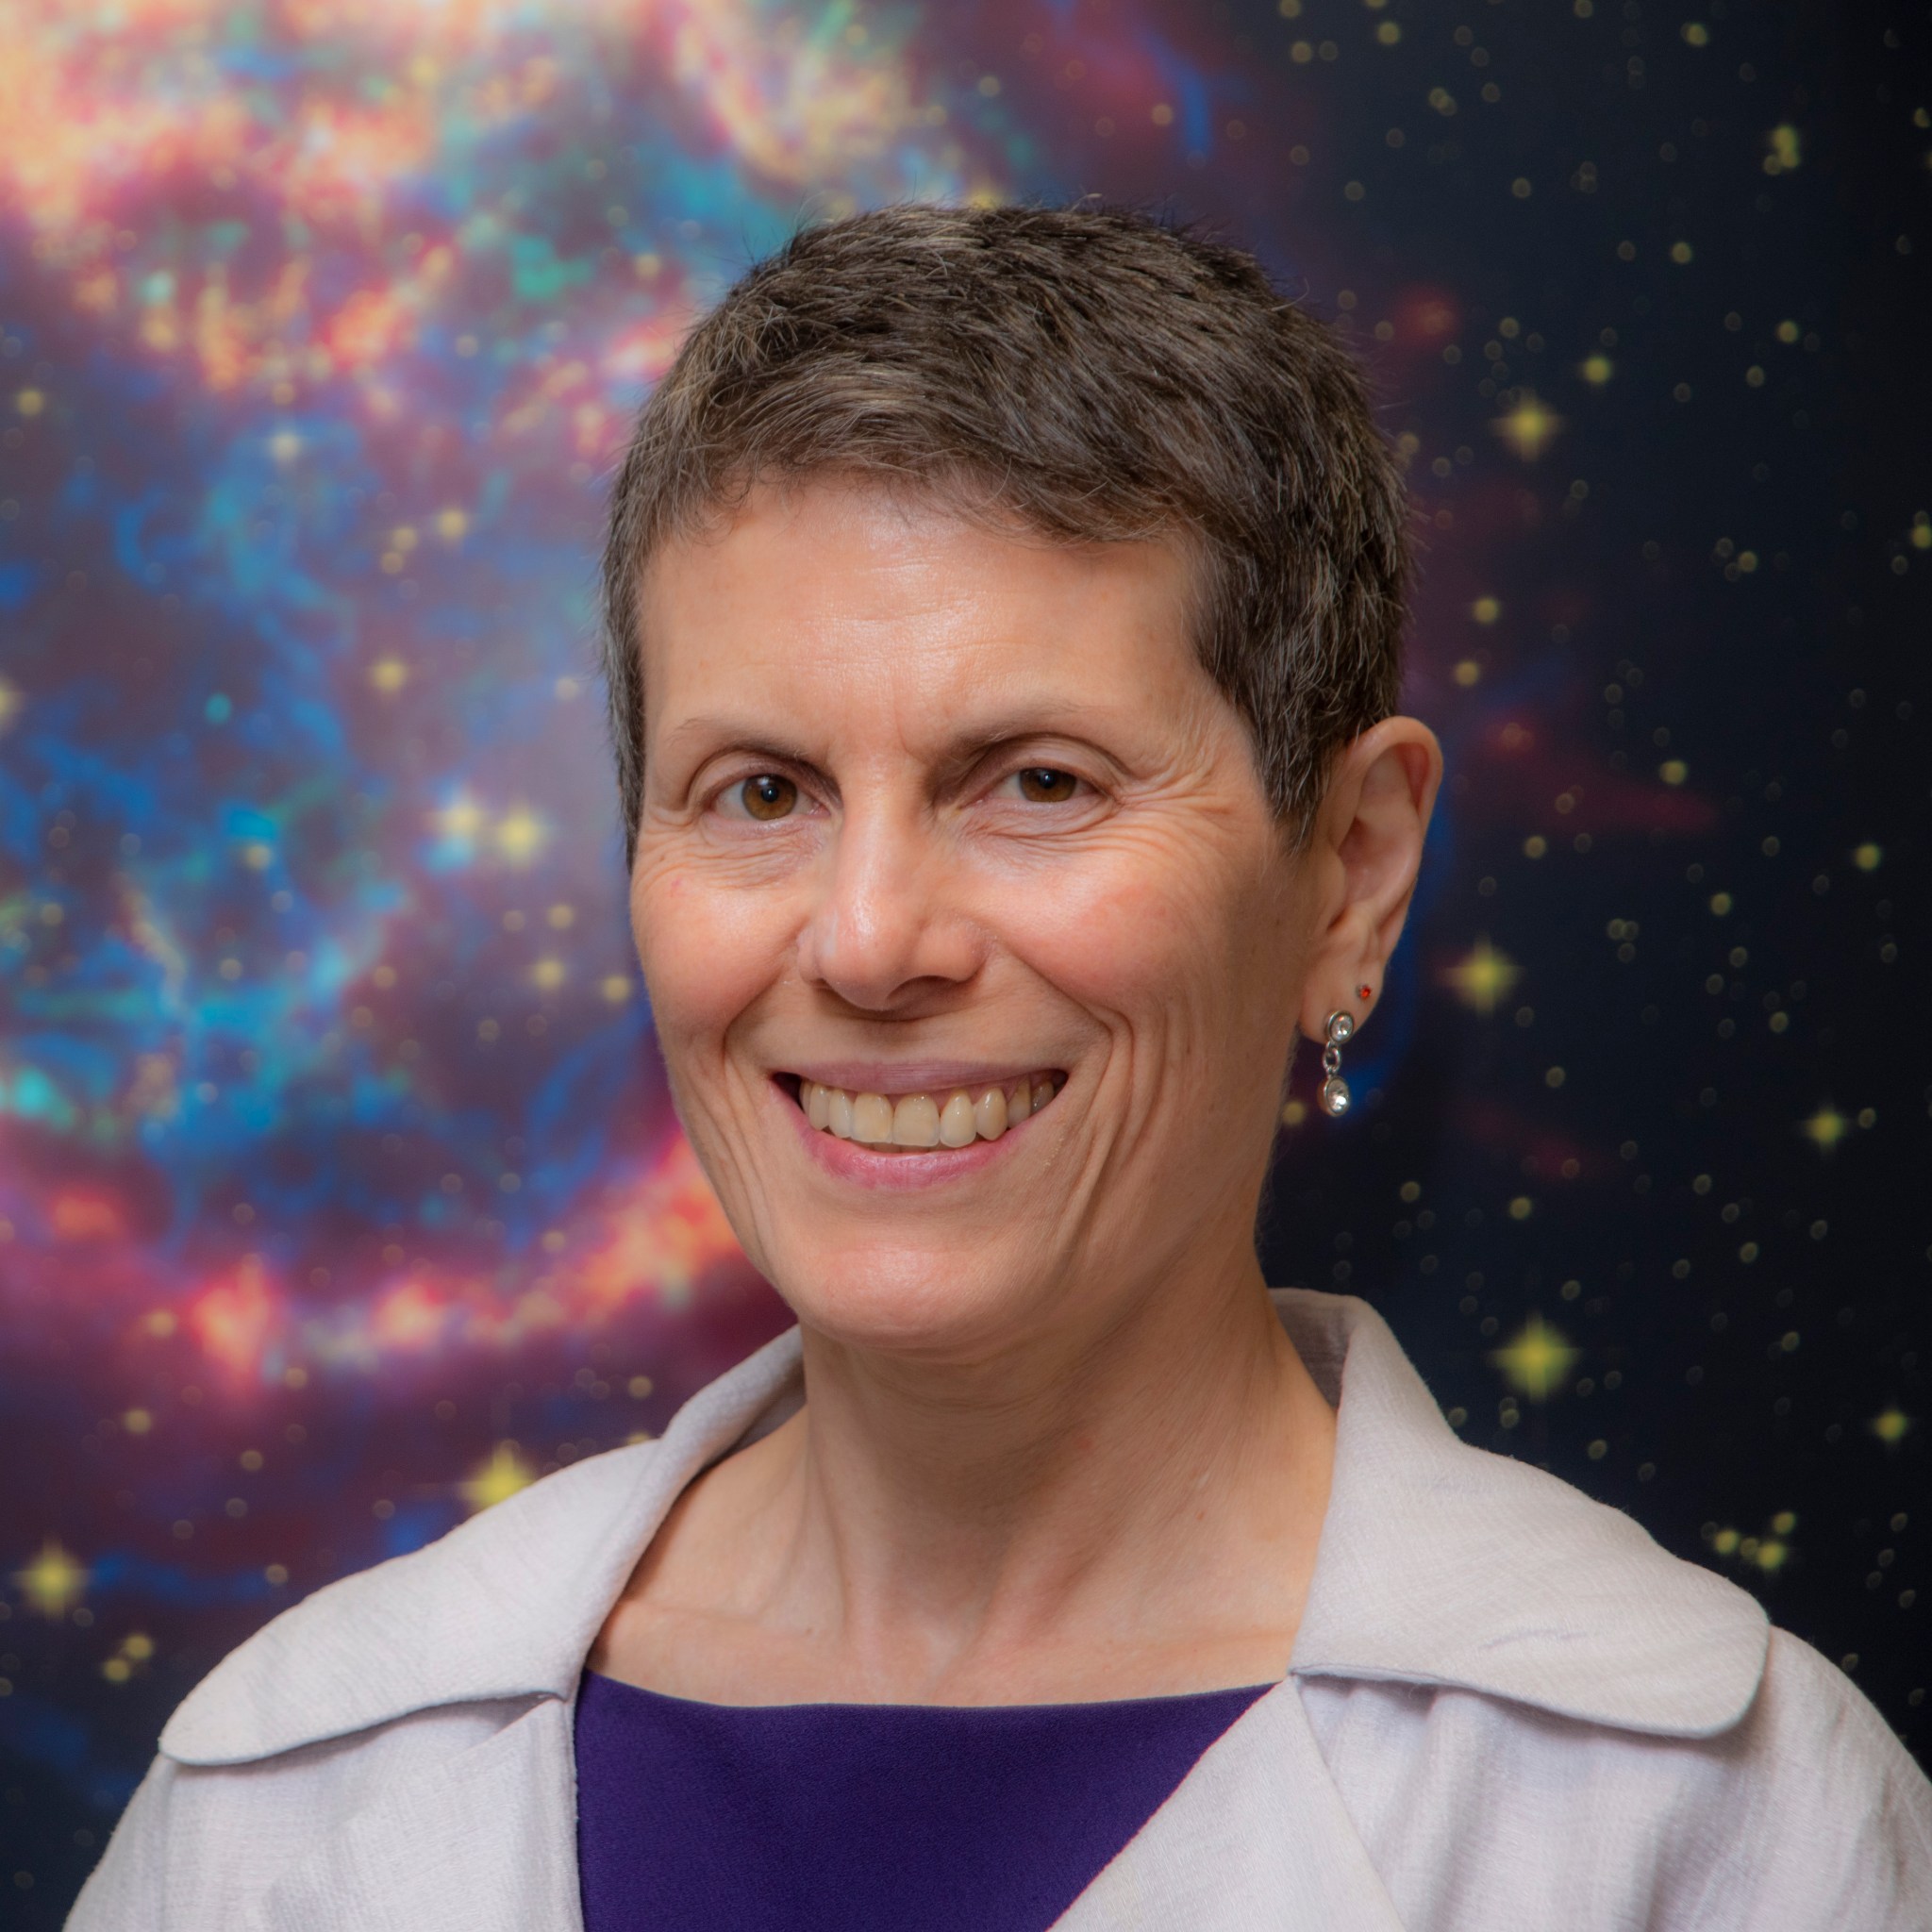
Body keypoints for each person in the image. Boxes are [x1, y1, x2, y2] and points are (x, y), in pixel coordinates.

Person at [70, 203, 1931, 1931]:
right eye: (762, 792)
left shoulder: (1722, 1825)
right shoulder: (285, 1805)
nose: (870, 942)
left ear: (1348, 872)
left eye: (1038, 781)